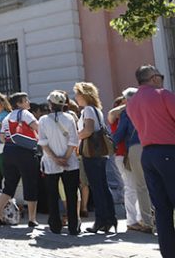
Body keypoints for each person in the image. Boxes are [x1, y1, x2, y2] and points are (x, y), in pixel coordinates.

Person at [126, 64, 175, 258]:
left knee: (162, 209)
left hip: (148, 154)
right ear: (154, 78)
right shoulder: (162, 94)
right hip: (169, 151)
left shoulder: (132, 102)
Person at [74, 81, 116, 233]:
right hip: (100, 152)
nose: (76, 97)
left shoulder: (88, 110)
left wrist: (75, 137)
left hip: (91, 152)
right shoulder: (96, 109)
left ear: (84, 95)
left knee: (97, 187)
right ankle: (110, 219)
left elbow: (89, 130)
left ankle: (101, 221)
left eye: (78, 94)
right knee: (103, 186)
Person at [0, 92, 40, 227]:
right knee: (30, 183)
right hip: (25, 153)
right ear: (19, 104)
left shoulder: (6, 118)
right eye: (26, 100)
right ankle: (32, 219)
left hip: (8, 152)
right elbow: (37, 127)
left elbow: (2, 138)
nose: (28, 102)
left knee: (9, 185)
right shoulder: (25, 114)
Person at [38, 91, 81, 235]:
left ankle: (55, 224)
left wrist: (56, 159)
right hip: (70, 162)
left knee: (52, 194)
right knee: (71, 195)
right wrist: (66, 157)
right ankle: (73, 225)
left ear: (50, 104)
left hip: (51, 163)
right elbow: (73, 141)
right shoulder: (70, 118)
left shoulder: (43, 120)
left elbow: (43, 142)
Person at [112, 87, 154, 233]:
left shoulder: (127, 112)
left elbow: (120, 132)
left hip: (136, 148)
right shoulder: (150, 108)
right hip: (154, 146)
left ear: (126, 99)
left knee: (139, 186)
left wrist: (110, 144)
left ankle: (145, 221)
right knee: (152, 184)